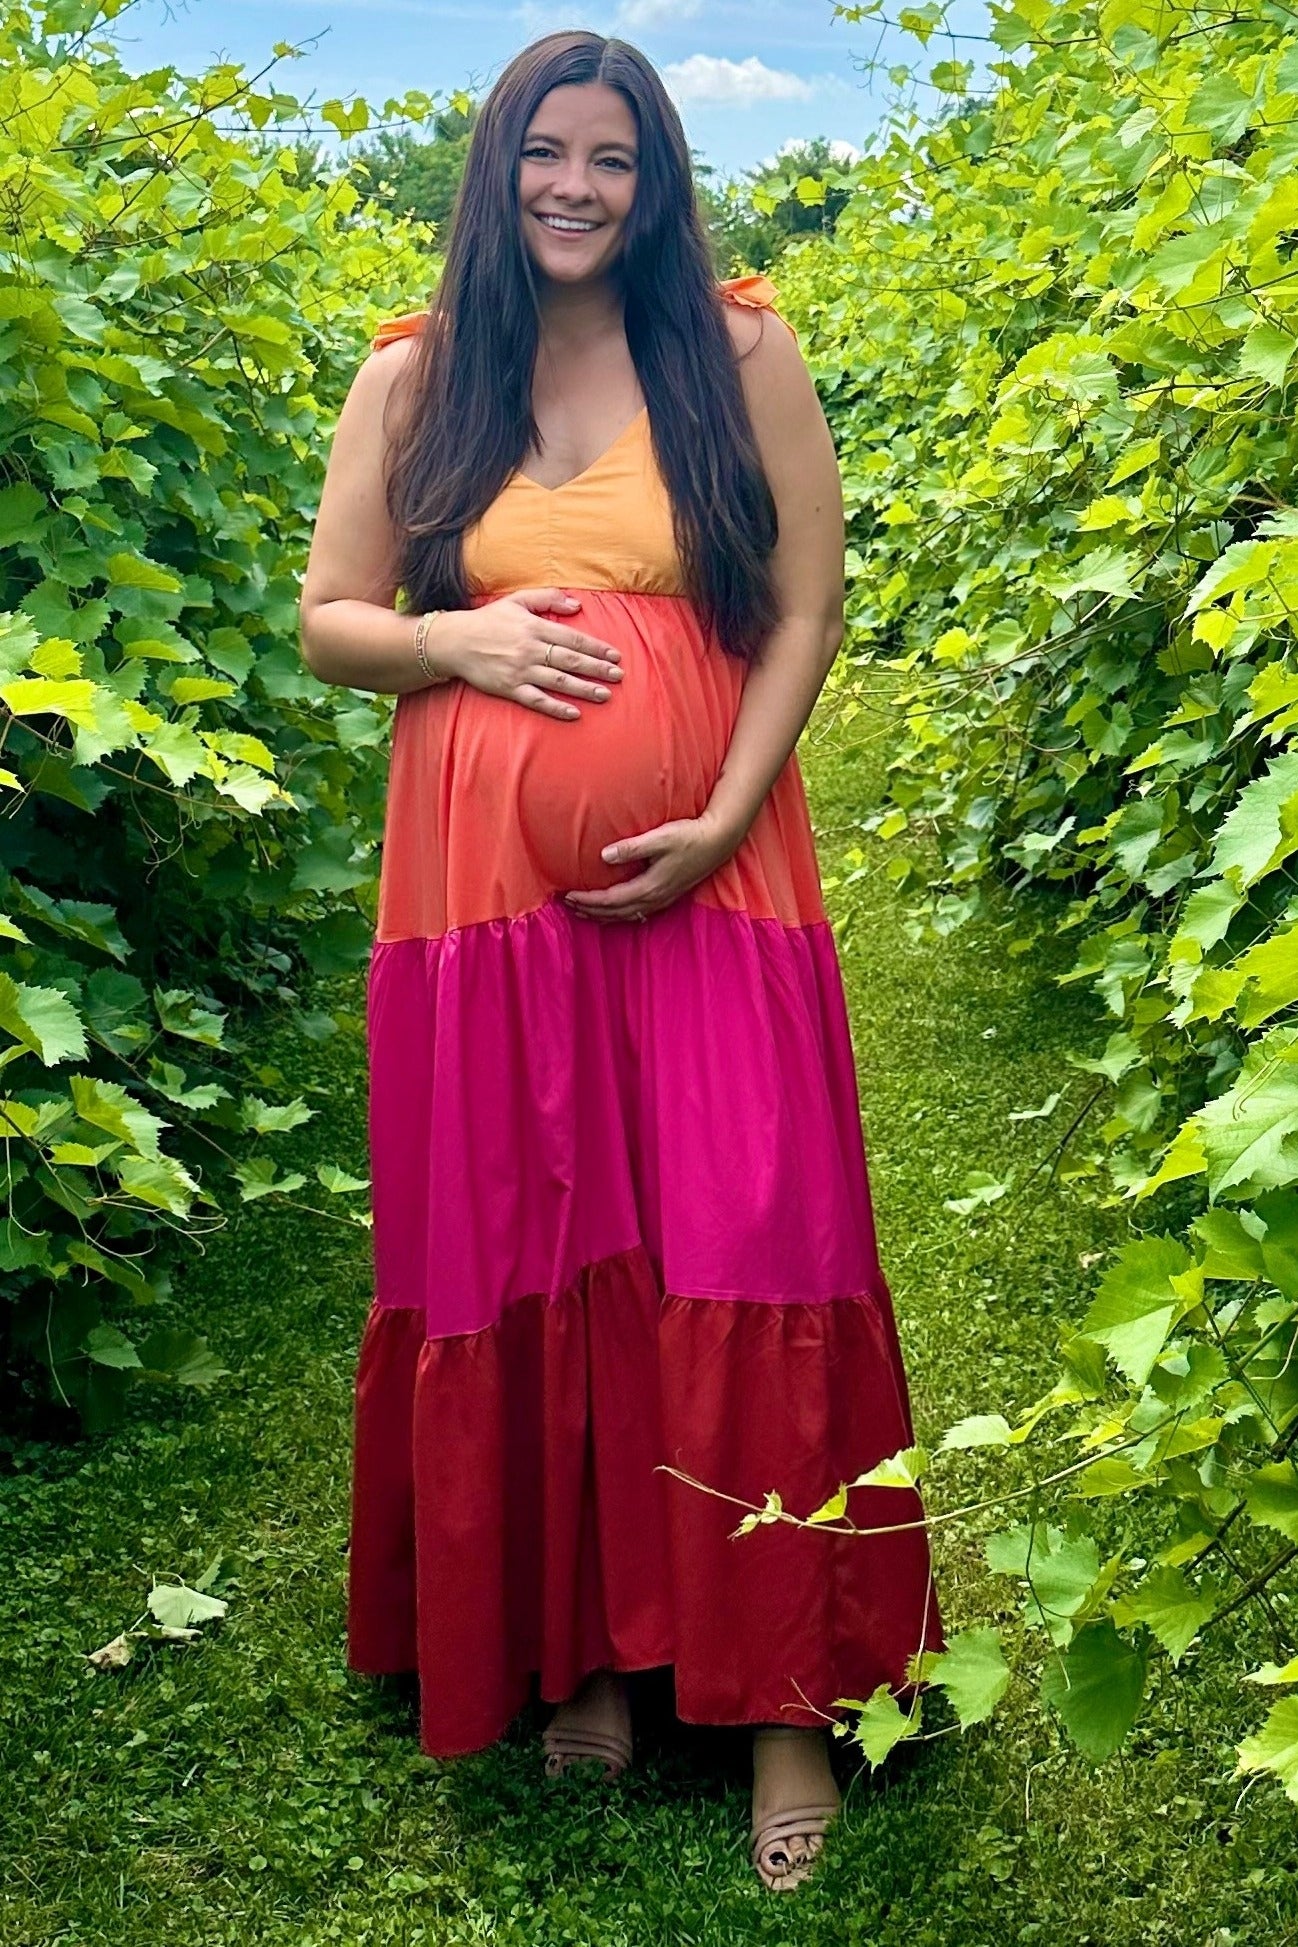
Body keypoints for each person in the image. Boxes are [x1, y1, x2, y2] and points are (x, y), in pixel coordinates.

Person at [299, 27, 943, 1896]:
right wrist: (467, 651)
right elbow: (337, 620)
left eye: (613, 158)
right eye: (543, 156)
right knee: (534, 1231)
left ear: (656, 182)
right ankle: (573, 1646)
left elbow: (810, 602)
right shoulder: (417, 378)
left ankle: (783, 1705)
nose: (575, 187)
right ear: (492, 175)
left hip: (714, 880)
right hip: (478, 906)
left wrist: (731, 812)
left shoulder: (733, 349)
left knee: (754, 1229)